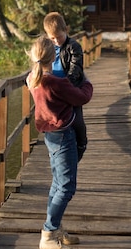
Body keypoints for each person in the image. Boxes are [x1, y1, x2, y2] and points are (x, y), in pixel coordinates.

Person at [27, 35, 93, 249]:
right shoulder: (55, 82)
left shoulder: (32, 79)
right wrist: (87, 82)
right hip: (63, 135)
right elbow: (81, 97)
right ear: (53, 56)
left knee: (58, 182)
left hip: (50, 135)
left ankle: (54, 229)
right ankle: (48, 233)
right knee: (66, 187)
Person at [43, 12, 89, 162]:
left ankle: (81, 145)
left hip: (70, 90)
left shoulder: (73, 46)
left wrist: (66, 87)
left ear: (66, 30)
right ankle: (56, 151)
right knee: (54, 122)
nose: (56, 41)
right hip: (54, 91)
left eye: (59, 36)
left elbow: (75, 69)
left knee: (78, 122)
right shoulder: (47, 46)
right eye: (52, 38)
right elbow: (39, 63)